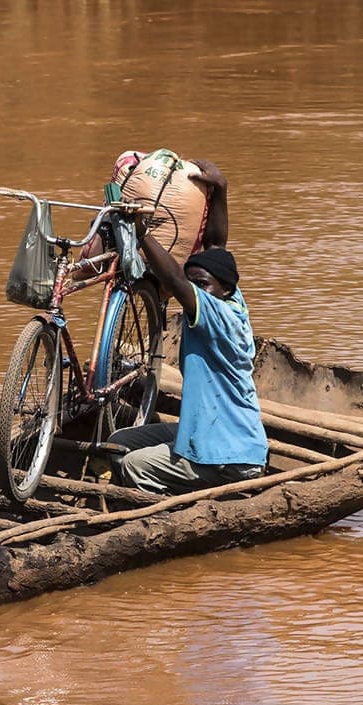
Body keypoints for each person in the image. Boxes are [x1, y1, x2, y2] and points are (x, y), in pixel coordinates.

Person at [104, 160, 266, 495]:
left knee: (131, 465)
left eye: (201, 285)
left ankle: (159, 511)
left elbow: (176, 280)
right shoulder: (231, 295)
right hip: (210, 432)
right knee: (118, 444)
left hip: (228, 455)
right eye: (196, 283)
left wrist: (141, 232)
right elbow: (215, 247)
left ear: (221, 288)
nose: (195, 290)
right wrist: (220, 189)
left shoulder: (216, 314)